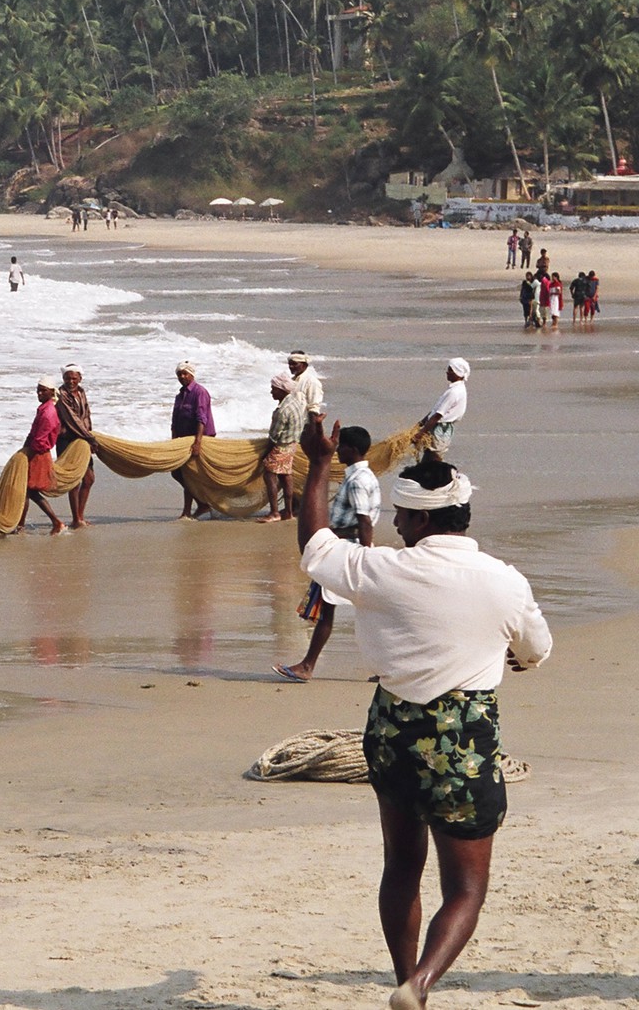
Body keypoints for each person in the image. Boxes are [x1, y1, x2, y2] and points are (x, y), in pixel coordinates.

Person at [293, 418, 551, 1010]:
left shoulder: (380, 570)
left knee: (401, 867)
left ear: (418, 520)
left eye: (400, 517)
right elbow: (536, 649)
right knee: (465, 886)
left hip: (391, 731)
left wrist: (316, 466)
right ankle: (423, 984)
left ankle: (404, 975)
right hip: (463, 738)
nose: (395, 525)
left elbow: (313, 546)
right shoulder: (505, 582)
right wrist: (510, 654)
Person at [273, 425, 379, 683]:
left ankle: (307, 665)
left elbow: (364, 521)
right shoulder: (364, 476)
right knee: (369, 613)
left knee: (328, 611)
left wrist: (364, 555)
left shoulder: (357, 481)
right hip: (351, 548)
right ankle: (385, 667)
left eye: (341, 446)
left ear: (351, 450)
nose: (338, 450)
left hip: (348, 551)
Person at [170, 360, 217, 520]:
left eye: (185, 373)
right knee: (177, 473)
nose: (182, 377)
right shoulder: (180, 395)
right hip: (183, 440)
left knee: (188, 474)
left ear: (192, 374)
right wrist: (173, 440)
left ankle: (188, 511)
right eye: (179, 374)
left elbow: (201, 418)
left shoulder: (199, 392)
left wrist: (198, 442)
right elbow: (175, 420)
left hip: (199, 439)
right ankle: (201, 504)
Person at [19, 378, 64, 534]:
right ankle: (21, 524)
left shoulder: (48, 412)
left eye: (43, 390)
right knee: (26, 490)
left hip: (38, 454)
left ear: (52, 392)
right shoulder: (44, 409)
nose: (39, 392)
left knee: (28, 490)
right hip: (36, 452)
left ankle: (55, 522)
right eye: (38, 389)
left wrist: (27, 452)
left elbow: (40, 440)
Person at [54, 363, 96, 528]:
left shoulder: (82, 392)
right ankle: (76, 518)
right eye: (67, 378)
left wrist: (89, 435)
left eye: (74, 378)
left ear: (80, 378)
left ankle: (80, 515)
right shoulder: (61, 394)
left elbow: (86, 416)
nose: (70, 381)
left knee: (89, 478)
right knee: (74, 480)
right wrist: (89, 437)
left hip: (83, 439)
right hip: (67, 440)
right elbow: (72, 419)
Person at [261, 373, 306, 522]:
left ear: (281, 390)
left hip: (281, 447)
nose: (271, 392)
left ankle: (274, 513)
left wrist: (265, 454)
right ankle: (288, 511)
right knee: (286, 476)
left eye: (273, 389)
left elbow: (274, 436)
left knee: (269, 473)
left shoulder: (283, 410)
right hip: (291, 446)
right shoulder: (296, 404)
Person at [417, 359, 469, 463]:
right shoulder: (455, 389)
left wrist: (421, 432)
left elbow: (437, 415)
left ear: (458, 373)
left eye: (450, 370)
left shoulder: (454, 392)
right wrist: (420, 423)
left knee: (434, 456)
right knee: (429, 455)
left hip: (440, 428)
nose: (447, 372)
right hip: (437, 426)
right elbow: (436, 410)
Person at [286, 350, 324, 417]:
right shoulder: (290, 381)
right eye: (290, 364)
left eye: (294, 364)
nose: (291, 366)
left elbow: (313, 409)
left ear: (304, 365)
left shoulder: (311, 382)